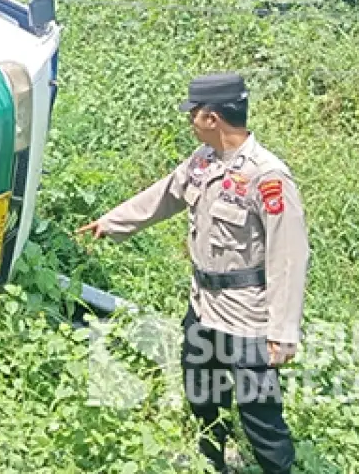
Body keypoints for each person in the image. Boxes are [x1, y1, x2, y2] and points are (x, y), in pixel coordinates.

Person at [78, 73, 310, 474]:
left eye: (193, 114)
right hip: (203, 307)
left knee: (260, 415)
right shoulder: (204, 160)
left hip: (247, 316)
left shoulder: (267, 177)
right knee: (202, 395)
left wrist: (283, 331)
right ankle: (213, 464)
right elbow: (165, 194)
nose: (190, 122)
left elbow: (289, 256)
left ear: (212, 118)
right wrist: (112, 222)